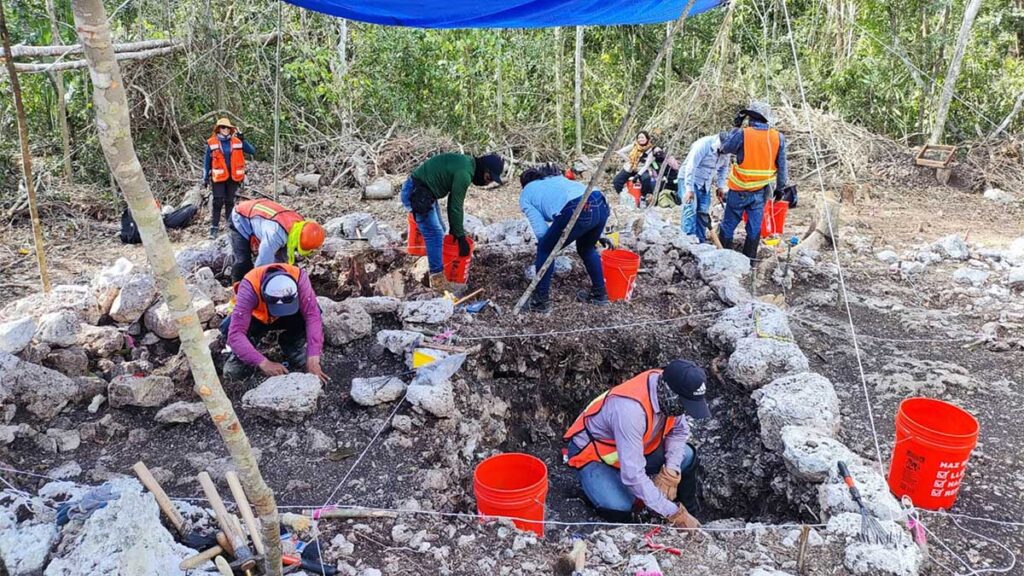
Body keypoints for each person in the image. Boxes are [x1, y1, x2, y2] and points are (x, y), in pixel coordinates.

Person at [563, 360, 710, 527]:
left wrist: (671, 472)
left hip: (634, 449)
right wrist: (672, 512)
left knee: (686, 456)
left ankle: (691, 514)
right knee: (620, 507)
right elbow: (632, 474)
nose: (684, 411)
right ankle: (591, 490)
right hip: (594, 456)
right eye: (684, 405)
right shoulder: (630, 411)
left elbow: (678, 431)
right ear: (669, 393)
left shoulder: (669, 390)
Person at [400, 152, 505, 292]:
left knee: (440, 229)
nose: (487, 183)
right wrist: (460, 237)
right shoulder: (464, 173)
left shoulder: (467, 164)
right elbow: (455, 206)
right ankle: (437, 282)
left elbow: (453, 204)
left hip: (425, 191)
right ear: (484, 170)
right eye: (488, 178)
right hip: (416, 192)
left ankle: (432, 264)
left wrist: (455, 232)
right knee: (435, 234)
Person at [519, 164, 611, 313]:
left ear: (524, 184)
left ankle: (540, 301)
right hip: (600, 201)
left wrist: (548, 244)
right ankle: (599, 295)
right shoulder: (556, 179)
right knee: (586, 248)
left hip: (576, 207)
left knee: (545, 249)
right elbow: (588, 207)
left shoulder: (526, 194)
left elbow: (541, 231)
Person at [220, 263, 329, 383]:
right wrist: (263, 362)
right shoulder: (249, 286)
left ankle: (292, 344)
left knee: (315, 310)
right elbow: (236, 333)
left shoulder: (299, 277)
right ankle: (244, 355)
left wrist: (313, 357)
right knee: (227, 327)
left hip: (289, 316)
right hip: (258, 319)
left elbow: (312, 316)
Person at [717, 101, 788, 260]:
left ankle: (724, 260)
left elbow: (725, 148)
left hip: (739, 189)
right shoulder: (778, 137)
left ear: (750, 117)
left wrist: (735, 127)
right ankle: (750, 263)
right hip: (760, 191)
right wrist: (780, 188)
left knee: (728, 225)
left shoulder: (743, 133)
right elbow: (783, 167)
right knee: (755, 227)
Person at [229, 199, 325, 283]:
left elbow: (283, 260)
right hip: (240, 216)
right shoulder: (274, 235)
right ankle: (237, 287)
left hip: (261, 213)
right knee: (243, 261)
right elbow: (261, 265)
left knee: (282, 263)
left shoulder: (298, 225)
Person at [203, 118, 255, 238]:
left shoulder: (237, 141)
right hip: (219, 177)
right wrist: (205, 177)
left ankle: (229, 226)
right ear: (218, 129)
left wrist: (243, 140)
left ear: (231, 129)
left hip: (233, 177)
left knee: (229, 202)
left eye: (227, 128)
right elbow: (206, 162)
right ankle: (214, 228)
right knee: (217, 201)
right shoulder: (212, 142)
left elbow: (252, 151)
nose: (225, 130)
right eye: (223, 127)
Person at [679, 132, 732, 242]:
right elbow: (691, 166)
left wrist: (720, 186)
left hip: (705, 183)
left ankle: (700, 241)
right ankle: (688, 240)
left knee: (703, 212)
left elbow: (723, 169)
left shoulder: (727, 151)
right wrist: (689, 189)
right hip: (689, 179)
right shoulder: (703, 145)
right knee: (690, 210)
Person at [612, 131, 655, 197]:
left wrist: (638, 175)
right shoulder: (634, 145)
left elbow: (647, 165)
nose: (640, 139)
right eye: (639, 138)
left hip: (642, 169)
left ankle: (644, 196)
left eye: (642, 137)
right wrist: (630, 160)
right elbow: (620, 152)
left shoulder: (651, 150)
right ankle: (623, 196)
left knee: (646, 178)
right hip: (630, 167)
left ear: (647, 138)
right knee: (617, 181)